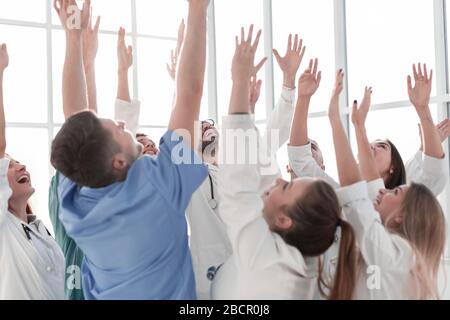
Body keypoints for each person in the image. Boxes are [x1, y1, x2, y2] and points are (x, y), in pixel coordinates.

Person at [51, 0, 209, 300]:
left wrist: (74, 40)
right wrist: (198, 8)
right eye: (120, 129)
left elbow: (75, 116)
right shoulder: (156, 191)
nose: (124, 123)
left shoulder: (75, 201)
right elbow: (189, 91)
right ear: (119, 161)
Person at [211, 27, 359, 300]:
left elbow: (238, 185)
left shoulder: (268, 264)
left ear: (283, 219)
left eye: (288, 188)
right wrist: (282, 89)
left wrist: (239, 82)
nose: (280, 179)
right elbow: (263, 171)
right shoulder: (295, 247)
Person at [328, 63, 446, 299]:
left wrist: (334, 118)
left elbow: (358, 193)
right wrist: (358, 126)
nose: (382, 192)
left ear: (402, 215)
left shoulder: (399, 254)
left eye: (394, 193)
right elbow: (368, 189)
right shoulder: (397, 248)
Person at [0, 43, 65, 300]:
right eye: (10, 165)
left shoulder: (40, 230)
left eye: (19, 162)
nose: (21, 166)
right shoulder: (4, 228)